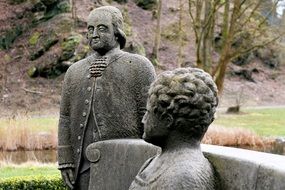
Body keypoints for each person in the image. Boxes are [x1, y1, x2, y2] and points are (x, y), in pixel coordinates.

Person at [57, 6, 156, 189]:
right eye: (90, 29)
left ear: (117, 32)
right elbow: (65, 119)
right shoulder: (74, 71)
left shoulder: (139, 67)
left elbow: (150, 118)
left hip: (127, 165)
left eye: (102, 28)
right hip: (82, 169)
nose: (94, 34)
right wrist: (65, 161)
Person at [129, 68, 219, 190]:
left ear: (167, 121)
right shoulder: (153, 162)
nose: (143, 120)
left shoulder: (185, 176)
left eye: (148, 113)